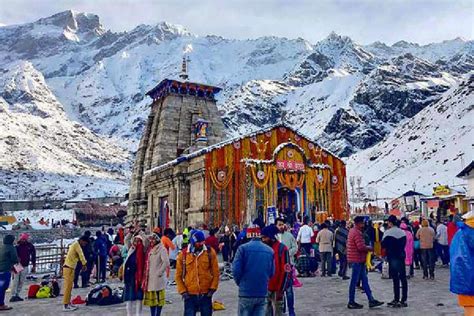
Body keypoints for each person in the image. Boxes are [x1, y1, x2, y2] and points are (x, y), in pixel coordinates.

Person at [176, 230, 219, 316]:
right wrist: (183, 292)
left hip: (206, 294)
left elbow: (216, 273)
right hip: (189, 295)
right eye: (198, 242)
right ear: (192, 242)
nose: (201, 244)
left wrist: (212, 289)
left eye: (202, 242)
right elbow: (178, 276)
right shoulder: (183, 255)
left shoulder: (210, 253)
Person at [233, 226, 274, 316]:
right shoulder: (270, 251)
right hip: (262, 292)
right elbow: (271, 272)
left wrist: (240, 283)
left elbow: (236, 270)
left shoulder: (242, 249)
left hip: (246, 292)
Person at [347, 216, 384, 309]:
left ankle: (371, 300)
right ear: (358, 223)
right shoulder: (357, 233)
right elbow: (360, 247)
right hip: (357, 259)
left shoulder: (352, 231)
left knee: (364, 281)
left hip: (358, 259)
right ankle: (351, 301)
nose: (363, 225)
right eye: (362, 223)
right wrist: (369, 248)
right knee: (354, 281)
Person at [261, 224, 291, 316]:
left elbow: (286, 271)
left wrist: (281, 289)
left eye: (265, 237)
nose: (263, 240)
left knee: (279, 313)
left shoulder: (282, 248)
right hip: (265, 288)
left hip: (278, 288)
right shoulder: (263, 248)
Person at [450, 210, 474, 315]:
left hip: (462, 277)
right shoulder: (470, 233)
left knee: (469, 308)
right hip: (469, 277)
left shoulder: (459, 233)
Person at [382, 216, 408, 308]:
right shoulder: (402, 232)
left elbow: (383, 245)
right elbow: (404, 244)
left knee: (395, 279)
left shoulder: (387, 233)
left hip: (392, 257)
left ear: (390, 223)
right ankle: (404, 299)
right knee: (403, 278)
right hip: (401, 256)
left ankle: (396, 299)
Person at [143, 233, 170, 316]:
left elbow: (166, 262)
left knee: (158, 299)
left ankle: (158, 314)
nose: (152, 241)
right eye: (151, 239)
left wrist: (160, 272)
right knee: (152, 301)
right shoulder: (150, 249)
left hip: (158, 279)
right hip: (150, 278)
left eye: (153, 239)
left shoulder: (161, 249)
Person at [276, 218, 297, 316]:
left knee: (288, 290)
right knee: (278, 289)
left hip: (287, 266)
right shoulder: (273, 237)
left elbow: (295, 247)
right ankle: (281, 308)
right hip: (276, 267)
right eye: (279, 224)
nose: (281, 226)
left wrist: (287, 254)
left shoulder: (289, 236)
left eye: (282, 224)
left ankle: (291, 310)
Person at [63, 236, 89, 311]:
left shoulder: (75, 244)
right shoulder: (76, 245)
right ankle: (65, 305)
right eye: (84, 243)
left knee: (70, 287)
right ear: (81, 240)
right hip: (68, 268)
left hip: (70, 267)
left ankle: (68, 303)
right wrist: (84, 264)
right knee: (67, 287)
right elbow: (81, 254)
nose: (85, 244)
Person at [124, 235, 147, 316]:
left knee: (139, 298)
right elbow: (126, 240)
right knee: (129, 298)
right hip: (130, 276)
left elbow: (146, 240)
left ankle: (138, 314)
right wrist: (131, 232)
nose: (137, 242)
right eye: (135, 240)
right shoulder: (131, 248)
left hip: (139, 277)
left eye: (139, 240)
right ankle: (129, 314)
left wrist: (140, 231)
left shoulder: (144, 250)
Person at [9, 233, 36, 302]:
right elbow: (12, 256)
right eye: (22, 239)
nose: (23, 240)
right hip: (17, 265)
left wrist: (34, 265)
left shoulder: (30, 246)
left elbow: (33, 255)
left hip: (25, 265)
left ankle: (17, 294)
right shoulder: (16, 246)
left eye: (24, 239)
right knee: (15, 280)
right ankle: (13, 295)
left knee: (21, 281)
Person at [0, 235, 19, 311]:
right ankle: (1, 304)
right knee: (3, 287)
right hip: (5, 270)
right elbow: (14, 258)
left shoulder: (2, 247)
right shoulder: (11, 248)